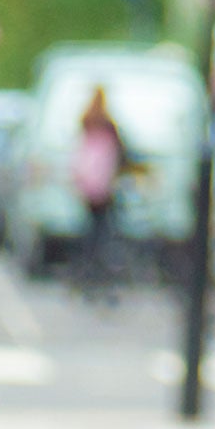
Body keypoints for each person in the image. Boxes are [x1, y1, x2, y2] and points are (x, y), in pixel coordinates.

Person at [70, 87, 127, 294]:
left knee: (89, 229)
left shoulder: (86, 122)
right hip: (104, 187)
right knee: (103, 231)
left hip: (88, 186)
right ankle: (101, 270)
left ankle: (85, 269)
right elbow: (122, 154)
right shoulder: (108, 126)